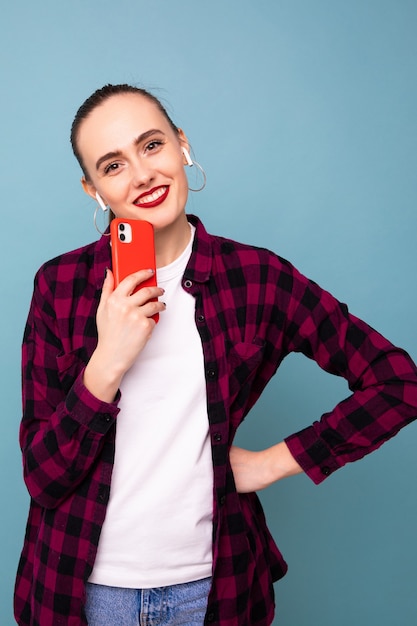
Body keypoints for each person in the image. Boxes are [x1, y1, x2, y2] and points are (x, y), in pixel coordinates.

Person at [14, 83, 417, 626]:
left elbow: (398, 383)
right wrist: (108, 360)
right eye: (113, 165)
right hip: (83, 594)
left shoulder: (256, 277)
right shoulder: (60, 285)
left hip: (214, 591)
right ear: (93, 190)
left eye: (151, 145)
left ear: (182, 145)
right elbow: (43, 477)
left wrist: (271, 463)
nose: (141, 174)